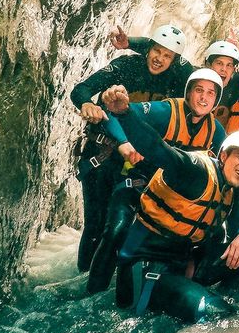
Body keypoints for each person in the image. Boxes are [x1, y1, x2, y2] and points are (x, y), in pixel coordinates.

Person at [108, 125, 239, 323]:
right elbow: (157, 149)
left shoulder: (229, 192)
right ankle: (208, 304)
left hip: (181, 265)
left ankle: (220, 298)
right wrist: (125, 114)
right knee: (217, 313)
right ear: (224, 157)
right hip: (145, 270)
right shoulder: (195, 170)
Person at [85, 69, 226, 293]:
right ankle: (93, 292)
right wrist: (123, 141)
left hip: (173, 201)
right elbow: (114, 113)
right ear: (188, 93)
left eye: (210, 93)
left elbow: (223, 171)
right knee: (116, 231)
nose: (203, 97)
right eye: (199, 90)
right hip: (137, 187)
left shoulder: (216, 132)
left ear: (216, 100)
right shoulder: (165, 112)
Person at [69, 23, 191, 271]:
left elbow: (205, 77)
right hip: (104, 155)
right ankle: (83, 278)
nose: (159, 59)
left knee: (123, 224)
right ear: (148, 50)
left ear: (174, 60)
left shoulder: (177, 79)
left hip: (141, 163)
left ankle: (110, 280)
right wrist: (86, 104)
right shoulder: (125, 67)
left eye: (167, 56)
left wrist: (133, 41)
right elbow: (81, 89)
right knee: (96, 223)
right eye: (156, 51)